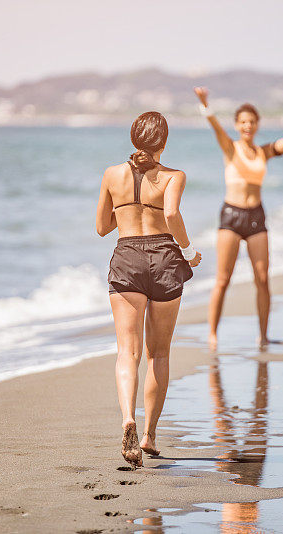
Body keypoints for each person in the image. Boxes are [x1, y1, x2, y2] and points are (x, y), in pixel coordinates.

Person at [96, 111, 202, 468]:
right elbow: (171, 215)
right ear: (164, 142)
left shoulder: (112, 174)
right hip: (165, 258)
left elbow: (101, 227)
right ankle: (150, 435)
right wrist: (188, 250)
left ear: (133, 138)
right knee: (159, 354)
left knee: (128, 352)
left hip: (127, 257)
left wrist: (127, 208)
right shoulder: (174, 176)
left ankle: (128, 417)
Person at [194, 86, 283, 350]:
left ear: (257, 125)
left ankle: (264, 335)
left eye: (252, 122)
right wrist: (205, 104)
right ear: (237, 125)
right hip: (231, 216)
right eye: (243, 122)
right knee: (223, 279)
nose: (248, 126)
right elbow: (214, 126)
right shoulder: (230, 148)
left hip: (256, 216)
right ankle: (212, 333)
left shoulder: (263, 151)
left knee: (262, 278)